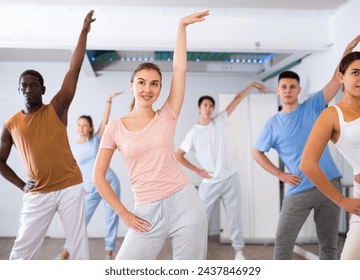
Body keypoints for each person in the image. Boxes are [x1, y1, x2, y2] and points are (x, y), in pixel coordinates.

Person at [93, 11, 210, 260]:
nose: (148, 88)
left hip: (186, 204)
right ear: (131, 86)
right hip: (146, 210)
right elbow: (98, 176)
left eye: (154, 83)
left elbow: (179, 70)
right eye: (142, 82)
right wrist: (123, 213)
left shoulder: (167, 115)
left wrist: (181, 27)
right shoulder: (115, 127)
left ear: (160, 88)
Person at [0, 10, 95, 260]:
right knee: (22, 250)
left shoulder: (57, 108)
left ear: (43, 89)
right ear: (19, 91)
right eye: (23, 86)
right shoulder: (10, 125)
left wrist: (83, 32)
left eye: (33, 85)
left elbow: (75, 68)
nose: (28, 89)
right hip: (38, 192)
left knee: (79, 248)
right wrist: (21, 185)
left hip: (70, 186)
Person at [252, 34, 360, 260]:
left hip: (330, 185)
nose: (288, 90)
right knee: (282, 246)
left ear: (298, 90)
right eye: (283, 86)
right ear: (278, 90)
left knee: (329, 247)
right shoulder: (272, 124)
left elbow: (336, 80)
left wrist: (348, 49)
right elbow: (257, 152)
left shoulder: (313, 106)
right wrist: (280, 174)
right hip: (298, 189)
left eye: (292, 86)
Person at [300, 0, 360, 260]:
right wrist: (342, 201)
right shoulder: (331, 116)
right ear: (341, 77)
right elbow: (308, 164)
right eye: (355, 73)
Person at [176, 82, 267, 260]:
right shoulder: (193, 134)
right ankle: (196, 255)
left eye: (211, 106)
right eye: (205, 106)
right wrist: (197, 170)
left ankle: (239, 252)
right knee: (200, 219)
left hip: (230, 177)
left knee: (234, 216)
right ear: (199, 108)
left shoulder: (218, 122)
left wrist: (252, 86)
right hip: (210, 182)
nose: (208, 109)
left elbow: (237, 99)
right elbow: (178, 155)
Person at [56, 92, 122, 260]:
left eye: (85, 125)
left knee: (111, 217)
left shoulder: (96, 140)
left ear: (90, 128)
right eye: (79, 125)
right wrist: (80, 188)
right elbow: (73, 170)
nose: (81, 128)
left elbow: (104, 121)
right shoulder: (73, 148)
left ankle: (109, 254)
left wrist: (108, 101)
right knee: (80, 222)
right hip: (91, 188)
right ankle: (66, 251)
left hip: (109, 182)